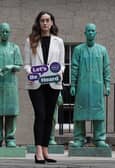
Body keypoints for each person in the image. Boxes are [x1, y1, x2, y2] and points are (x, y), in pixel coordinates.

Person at [24, 11, 65, 164]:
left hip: (53, 83)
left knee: (49, 117)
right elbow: (27, 64)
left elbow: (61, 64)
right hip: (36, 84)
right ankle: (38, 150)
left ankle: (46, 149)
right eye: (42, 20)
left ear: (52, 23)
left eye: (48, 20)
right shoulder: (30, 40)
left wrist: (59, 71)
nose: (45, 23)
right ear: (39, 23)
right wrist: (33, 72)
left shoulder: (59, 42)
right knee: (40, 115)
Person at [70, 23, 111, 148]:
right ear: (85, 33)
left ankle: (99, 139)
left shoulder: (102, 50)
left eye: (93, 31)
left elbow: (106, 68)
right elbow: (74, 68)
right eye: (88, 31)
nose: (91, 33)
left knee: (98, 113)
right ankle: (79, 138)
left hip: (97, 86)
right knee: (79, 114)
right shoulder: (78, 50)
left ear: (96, 33)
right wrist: (73, 85)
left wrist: (107, 85)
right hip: (82, 86)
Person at [0, 23, 23, 148]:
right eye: (2, 31)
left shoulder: (15, 48)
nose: (4, 34)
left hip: (11, 84)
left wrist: (11, 66)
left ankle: (10, 138)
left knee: (11, 113)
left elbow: (19, 66)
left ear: (10, 33)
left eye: (7, 31)